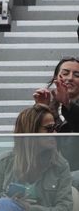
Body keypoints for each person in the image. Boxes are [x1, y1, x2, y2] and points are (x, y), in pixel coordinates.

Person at [0, 104, 73, 211]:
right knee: (4, 203)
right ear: (31, 131)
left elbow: (65, 208)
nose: (55, 133)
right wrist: (7, 204)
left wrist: (28, 208)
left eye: (55, 128)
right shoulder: (4, 161)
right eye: (49, 129)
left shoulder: (60, 165)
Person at [33, 57, 79, 186]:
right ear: (55, 78)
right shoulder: (49, 106)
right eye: (65, 73)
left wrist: (67, 104)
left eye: (77, 75)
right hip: (48, 171)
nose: (70, 78)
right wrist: (40, 110)